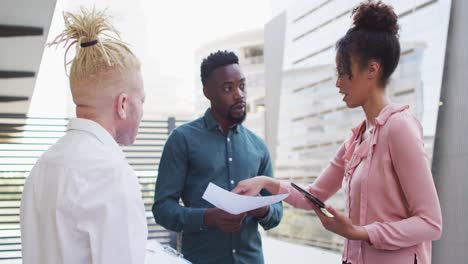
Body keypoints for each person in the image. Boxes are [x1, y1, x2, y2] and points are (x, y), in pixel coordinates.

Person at [233, 1, 442, 264]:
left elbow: (430, 223)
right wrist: (265, 182)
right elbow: (314, 195)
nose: (338, 82)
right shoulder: (355, 140)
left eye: (345, 72)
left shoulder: (399, 127)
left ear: (372, 70)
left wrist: (359, 232)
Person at [20, 8, 147, 264]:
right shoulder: (112, 173)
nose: (142, 111)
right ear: (123, 104)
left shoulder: (42, 166)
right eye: (141, 100)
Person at [153, 50, 283, 264]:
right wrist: (207, 218)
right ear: (207, 92)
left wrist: (262, 208)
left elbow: (277, 214)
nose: (239, 94)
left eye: (242, 85)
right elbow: (162, 209)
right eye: (228, 88)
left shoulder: (258, 146)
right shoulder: (182, 139)